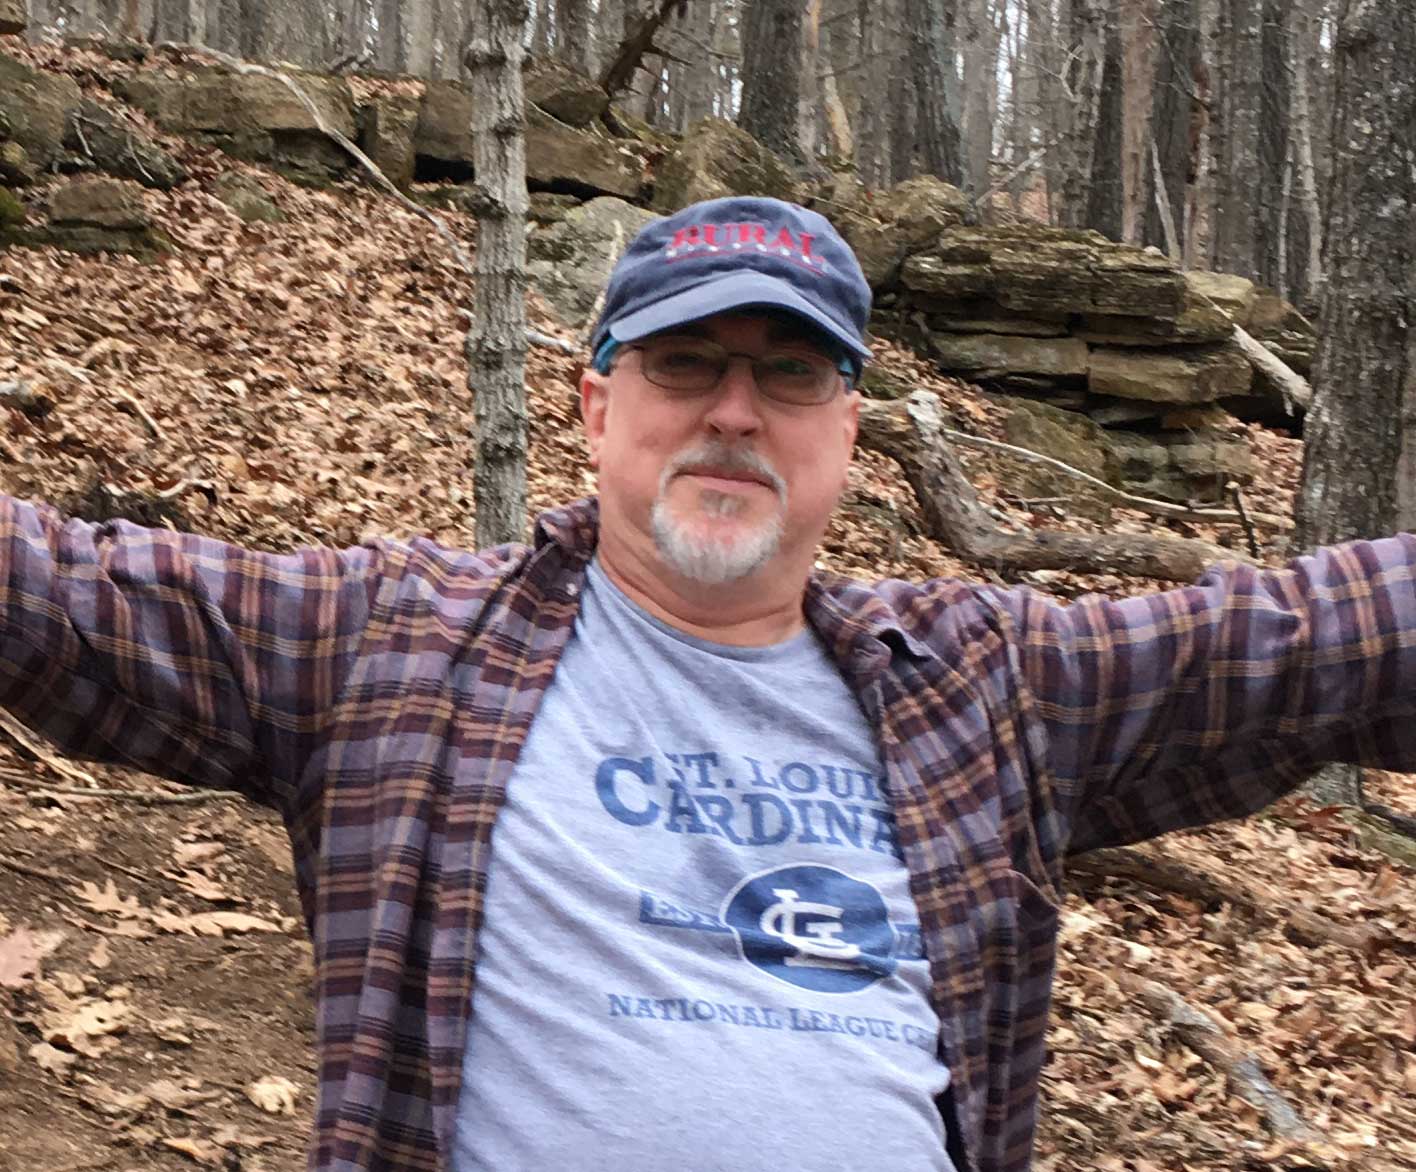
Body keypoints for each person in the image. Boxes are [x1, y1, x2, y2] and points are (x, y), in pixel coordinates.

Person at [2, 194, 1414, 1172]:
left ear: (848, 428)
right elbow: (61, 597)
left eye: (788, 376)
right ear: (598, 403)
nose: (735, 412)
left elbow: (1307, 636)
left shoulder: (986, 684)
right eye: (687, 363)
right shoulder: (393, 645)